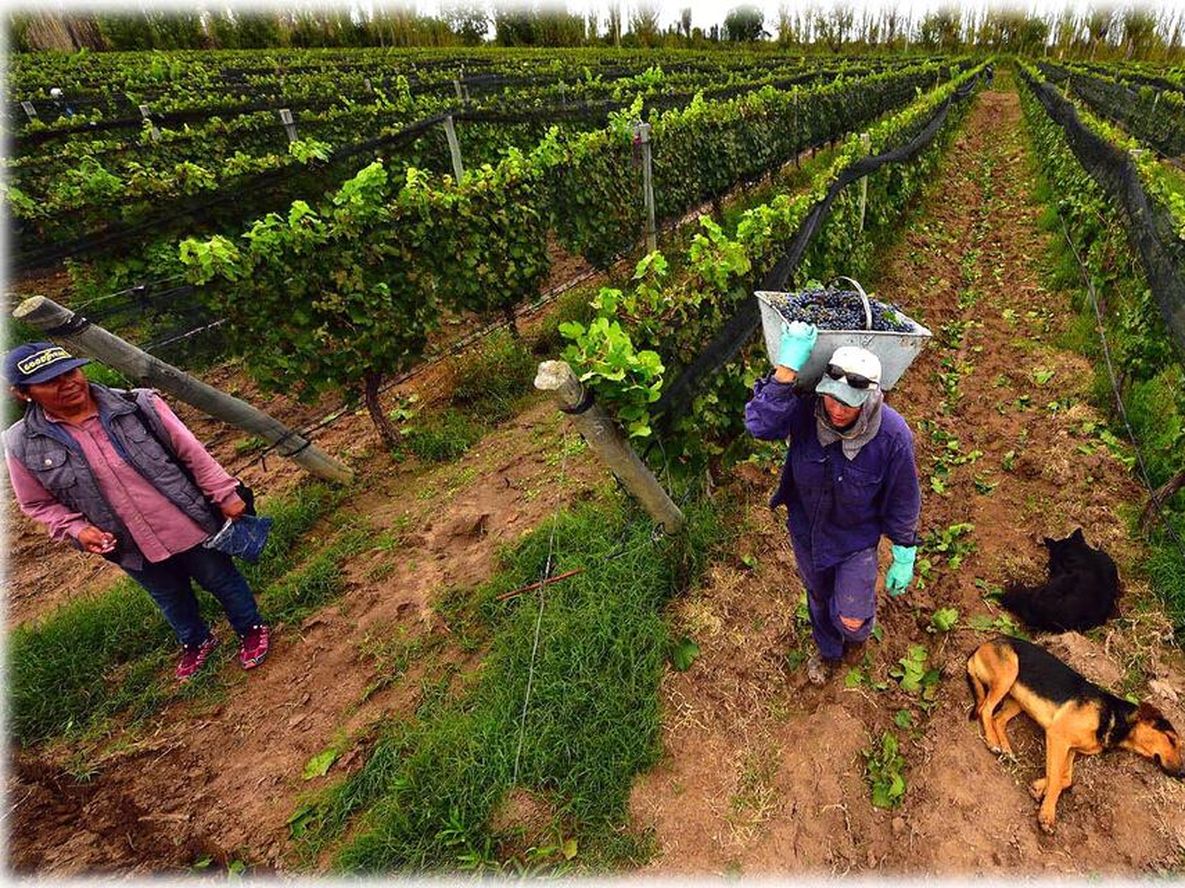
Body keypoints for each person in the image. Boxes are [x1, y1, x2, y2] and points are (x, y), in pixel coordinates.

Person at [3, 342, 270, 681]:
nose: (68, 383)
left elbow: (191, 452)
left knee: (220, 578)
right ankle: (196, 641)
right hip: (127, 543)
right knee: (169, 595)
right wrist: (77, 529)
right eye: (50, 381)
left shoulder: (137, 405)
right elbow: (36, 503)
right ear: (22, 393)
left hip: (185, 520)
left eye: (70, 372)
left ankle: (250, 627)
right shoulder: (21, 444)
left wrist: (225, 493)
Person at [744, 322, 921, 685]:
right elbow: (760, 425)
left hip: (855, 541)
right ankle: (828, 651)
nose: (838, 410)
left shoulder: (892, 435)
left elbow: (903, 496)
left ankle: (855, 638)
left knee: (852, 618)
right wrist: (785, 371)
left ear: (869, 397)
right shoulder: (806, 411)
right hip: (806, 532)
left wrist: (904, 551)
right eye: (832, 398)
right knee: (819, 596)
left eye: (849, 403)